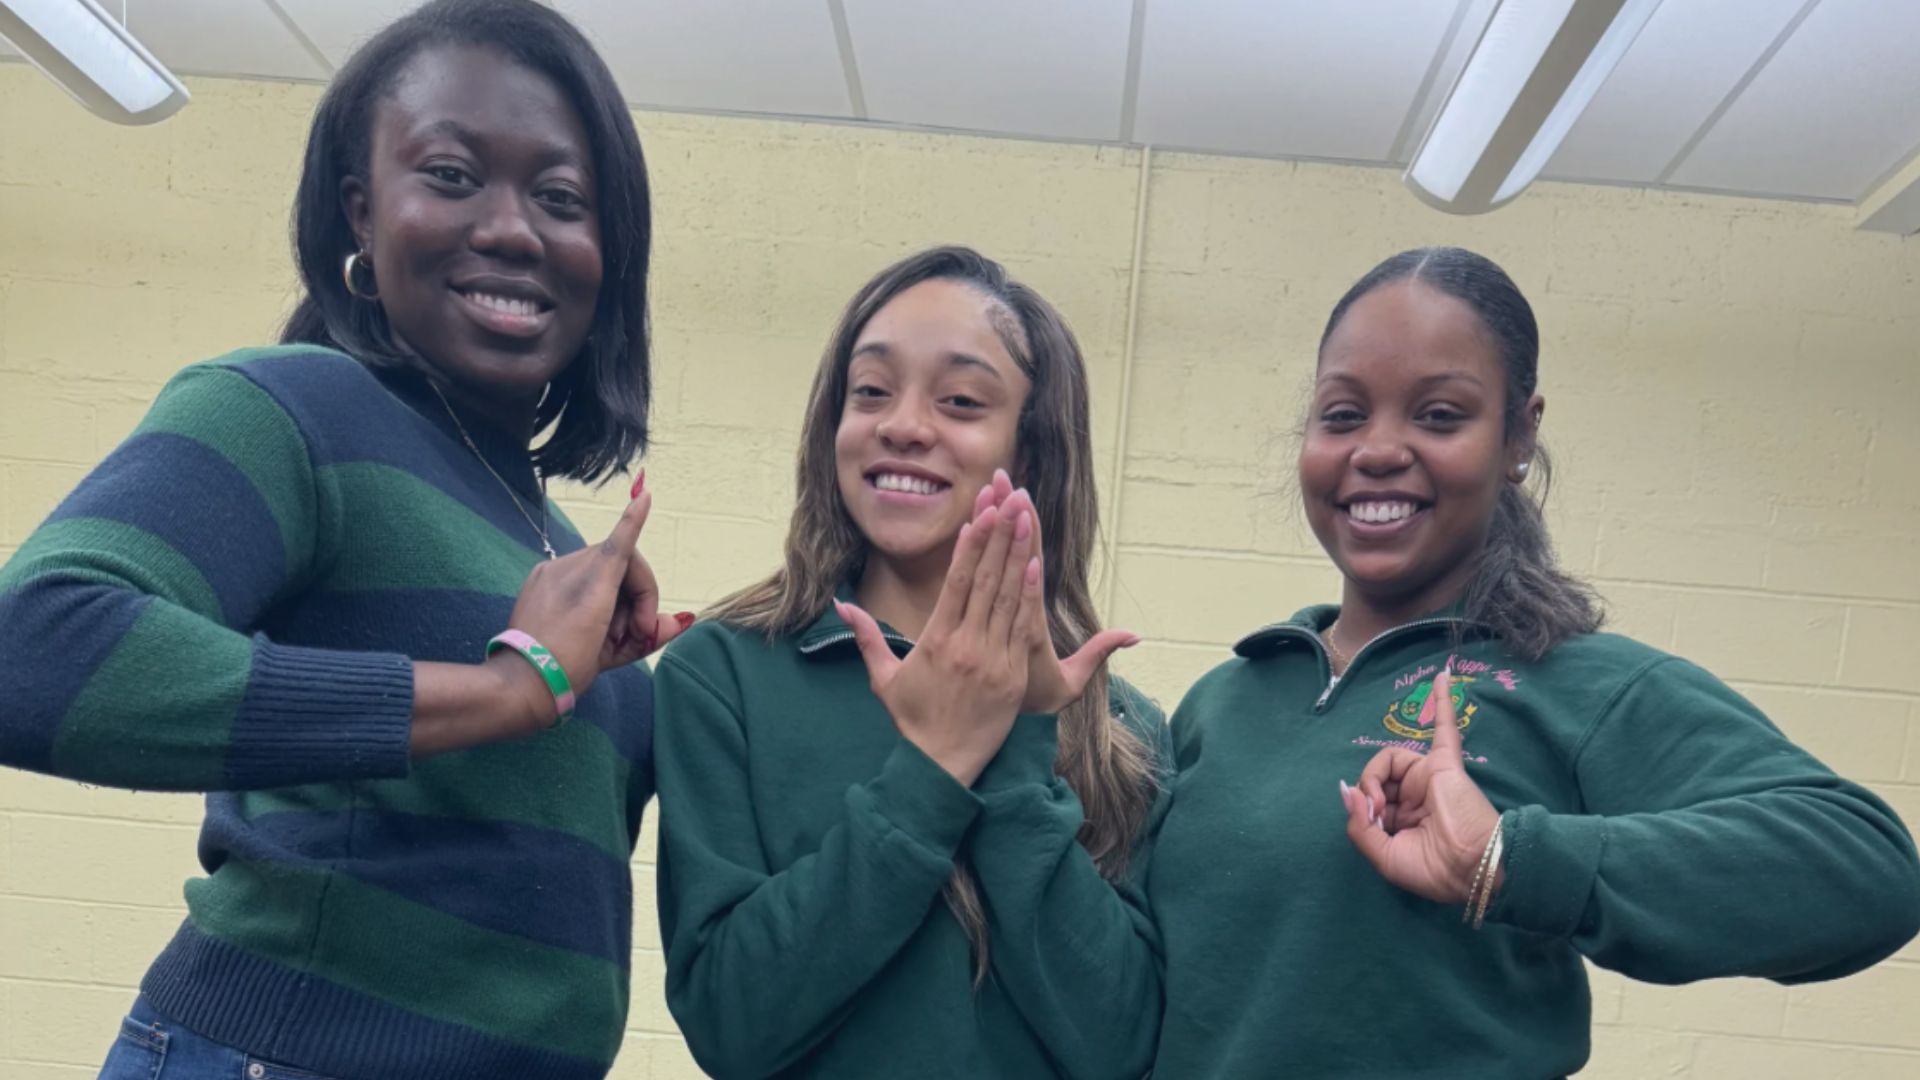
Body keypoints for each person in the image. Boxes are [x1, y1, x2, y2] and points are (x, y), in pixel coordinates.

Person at [0, 2, 687, 1077]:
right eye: (453, 175)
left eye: (561, 198)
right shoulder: (296, 407)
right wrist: (506, 689)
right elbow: (34, 647)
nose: (514, 229)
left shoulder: (546, 535)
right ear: (361, 214)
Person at [1148, 246, 1920, 1078]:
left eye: (1439, 415)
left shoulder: (1575, 684)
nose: (1378, 449)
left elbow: (1866, 871)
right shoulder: (1226, 699)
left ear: (1518, 436)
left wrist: (1507, 861)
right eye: (1343, 414)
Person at [652, 246, 1168, 1078]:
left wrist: (1016, 739)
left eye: (960, 400)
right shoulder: (720, 675)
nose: (902, 425)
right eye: (871, 391)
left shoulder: (1124, 728)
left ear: (1031, 452)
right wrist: (931, 769)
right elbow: (730, 1024)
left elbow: (1124, 1046)